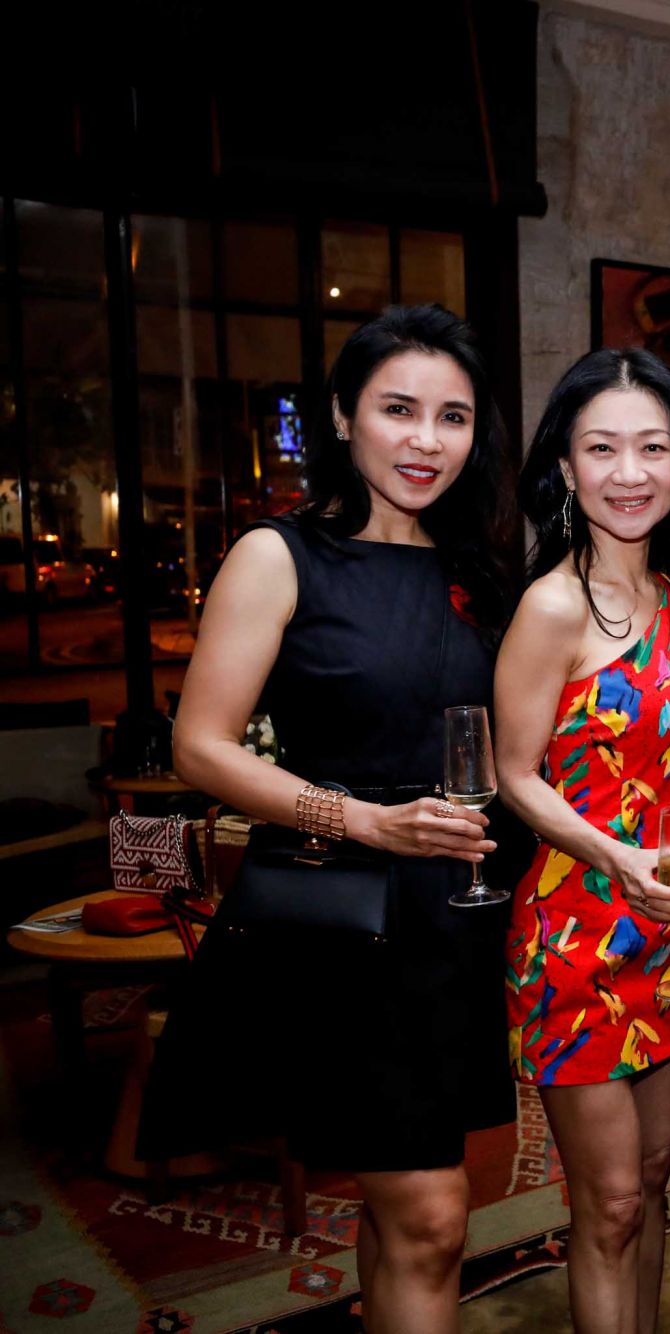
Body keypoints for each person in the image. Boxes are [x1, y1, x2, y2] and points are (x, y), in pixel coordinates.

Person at [141, 305, 521, 1329]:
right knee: (434, 1214)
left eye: (452, 416)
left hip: (452, 925)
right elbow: (200, 745)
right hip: (342, 921)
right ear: (346, 417)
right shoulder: (280, 555)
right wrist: (362, 819)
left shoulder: (478, 569)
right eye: (399, 409)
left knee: (408, 1215)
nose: (426, 440)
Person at [493, 347, 670, 1334]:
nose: (628, 471)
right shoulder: (552, 603)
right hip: (576, 937)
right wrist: (614, 856)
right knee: (611, 1202)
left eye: (651, 446)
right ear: (566, 466)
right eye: (602, 448)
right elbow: (512, 773)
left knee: (657, 1176)